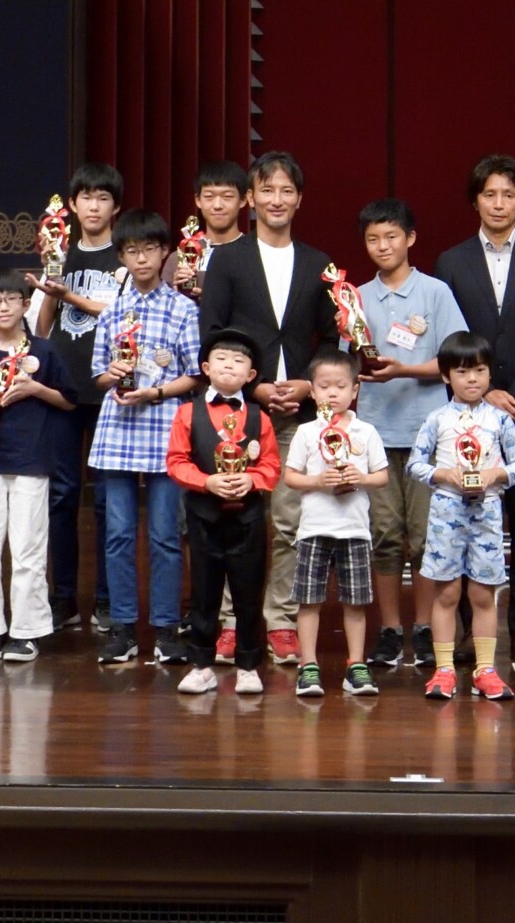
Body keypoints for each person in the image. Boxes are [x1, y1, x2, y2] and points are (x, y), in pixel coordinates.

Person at [196, 151, 333, 664]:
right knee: (235, 520)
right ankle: (233, 621)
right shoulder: (228, 259)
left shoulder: (319, 264)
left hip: (299, 415)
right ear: (251, 199)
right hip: (238, 410)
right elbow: (211, 335)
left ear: (299, 200)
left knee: (292, 523)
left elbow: (335, 336)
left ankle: (280, 620)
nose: (277, 200)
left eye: (287, 191)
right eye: (267, 191)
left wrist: (306, 384)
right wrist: (252, 389)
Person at [431, 156, 515, 672]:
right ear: (475, 200)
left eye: (509, 195)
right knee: (467, 519)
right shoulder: (451, 261)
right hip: (466, 410)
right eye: (490, 195)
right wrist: (483, 393)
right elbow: (452, 338)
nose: (500, 204)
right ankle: (467, 632)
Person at [351, 197, 469, 670]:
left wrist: (403, 369)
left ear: (411, 239)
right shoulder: (355, 297)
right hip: (373, 436)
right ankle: (389, 629)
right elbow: (347, 366)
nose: (383, 246)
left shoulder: (435, 293)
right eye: (373, 239)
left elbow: (454, 360)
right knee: (382, 536)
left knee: (424, 538)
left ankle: (423, 628)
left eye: (392, 236)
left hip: (428, 434)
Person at [91, 207, 202, 667]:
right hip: (117, 430)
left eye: (150, 250)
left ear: (164, 254)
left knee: (164, 536)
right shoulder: (113, 311)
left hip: (164, 431)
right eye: (132, 251)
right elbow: (97, 374)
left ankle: (165, 627)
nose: (141, 259)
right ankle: (121, 627)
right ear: (122, 256)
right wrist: (113, 375)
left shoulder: (183, 308)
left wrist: (154, 390)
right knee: (117, 535)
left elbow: (195, 375)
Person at [0, 270, 78, 663]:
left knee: (27, 551)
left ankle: (27, 631)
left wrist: (36, 388)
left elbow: (70, 401)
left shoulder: (45, 351)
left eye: (12, 299)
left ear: (27, 304)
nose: (4, 307)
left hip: (30, 462)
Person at [409, 333, 515, 702]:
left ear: (490, 373)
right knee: (446, 593)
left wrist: (498, 475)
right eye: (462, 372)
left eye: (480, 370)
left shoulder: (500, 421)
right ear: (446, 376)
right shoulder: (436, 418)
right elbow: (415, 463)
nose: (472, 379)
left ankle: (486, 670)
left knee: (483, 593)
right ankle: (444, 670)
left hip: (487, 513)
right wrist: (442, 475)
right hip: (447, 510)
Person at [31, 162, 124, 631]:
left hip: (112, 393)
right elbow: (41, 331)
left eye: (103, 198)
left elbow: (126, 313)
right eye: (85, 197)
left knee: (109, 500)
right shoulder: (58, 254)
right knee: (62, 496)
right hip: (62, 393)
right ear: (72, 206)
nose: (93, 205)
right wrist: (52, 291)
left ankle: (107, 599)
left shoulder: (126, 257)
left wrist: (74, 297)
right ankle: (63, 596)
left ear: (115, 207)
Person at [167, 327, 281, 697]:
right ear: (205, 367)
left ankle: (249, 665)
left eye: (239, 362)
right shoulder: (188, 413)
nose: (229, 366)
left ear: (251, 375)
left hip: (247, 519)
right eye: (221, 359)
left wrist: (251, 480)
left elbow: (271, 466)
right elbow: (176, 462)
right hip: (203, 517)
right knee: (203, 592)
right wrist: (206, 482)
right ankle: (201, 664)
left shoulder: (260, 418)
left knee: (249, 593)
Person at [280, 350, 391, 698]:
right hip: (314, 529)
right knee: (309, 601)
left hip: (355, 530)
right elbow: (291, 477)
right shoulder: (306, 432)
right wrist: (319, 482)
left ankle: (355, 665)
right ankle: (308, 666)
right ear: (311, 391)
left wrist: (360, 477)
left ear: (355, 390)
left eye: (340, 386)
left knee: (355, 602)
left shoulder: (366, 431)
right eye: (324, 386)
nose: (332, 393)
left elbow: (382, 476)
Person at [172, 160, 249, 298]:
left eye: (227, 197)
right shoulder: (181, 255)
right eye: (209, 197)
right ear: (198, 200)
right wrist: (173, 293)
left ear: (243, 200)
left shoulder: (255, 253)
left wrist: (214, 304)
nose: (218, 205)